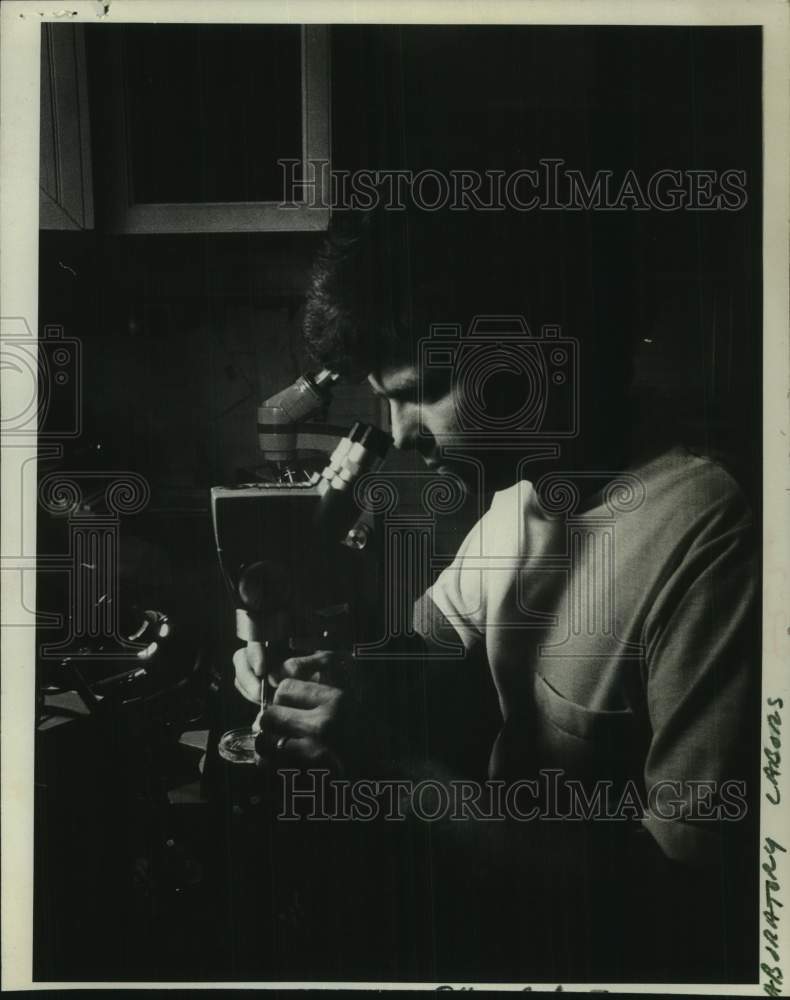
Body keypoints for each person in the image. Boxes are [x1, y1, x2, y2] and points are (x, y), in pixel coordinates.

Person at [232, 206, 758, 982]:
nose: (401, 431)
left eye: (422, 392)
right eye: (387, 397)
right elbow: (425, 646)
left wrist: (394, 773)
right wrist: (332, 671)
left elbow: (681, 892)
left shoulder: (713, 532)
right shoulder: (520, 497)